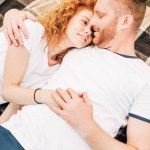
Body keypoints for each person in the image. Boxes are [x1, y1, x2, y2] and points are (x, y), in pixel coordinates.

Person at [1, 0, 150, 150]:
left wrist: (86, 125)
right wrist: (12, 14)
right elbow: (47, 31)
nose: (92, 22)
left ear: (125, 21)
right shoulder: (75, 47)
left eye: (100, 15)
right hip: (13, 135)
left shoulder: (144, 79)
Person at [0, 0, 95, 123]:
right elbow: (8, 91)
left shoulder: (58, 68)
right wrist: (47, 96)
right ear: (69, 16)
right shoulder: (31, 31)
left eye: (93, 31)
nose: (88, 31)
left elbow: (18, 100)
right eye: (84, 22)